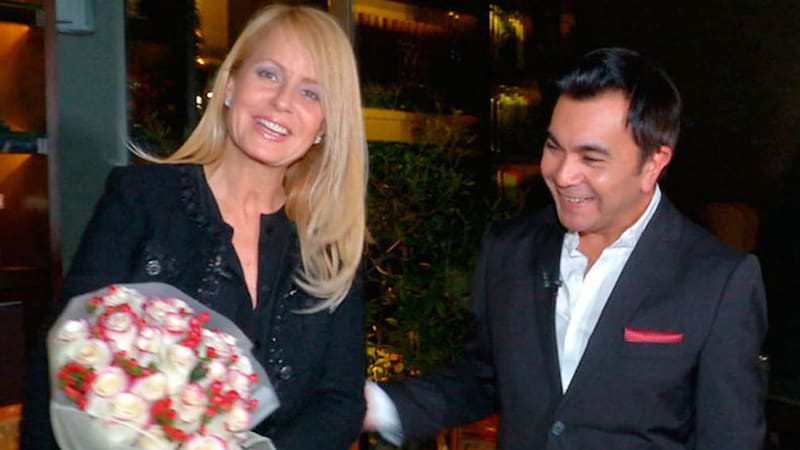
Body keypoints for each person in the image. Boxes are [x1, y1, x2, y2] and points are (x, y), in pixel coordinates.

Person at [364, 47, 767, 449]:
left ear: (653, 164)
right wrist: (376, 406)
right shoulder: (509, 249)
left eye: (591, 158)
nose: (562, 174)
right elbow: (483, 378)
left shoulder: (719, 282)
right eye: (554, 147)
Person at [21, 5, 368, 450]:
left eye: (311, 93)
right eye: (268, 74)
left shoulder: (330, 243)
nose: (282, 102)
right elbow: (60, 361)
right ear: (230, 85)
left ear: (325, 125)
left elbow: (340, 402)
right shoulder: (143, 200)